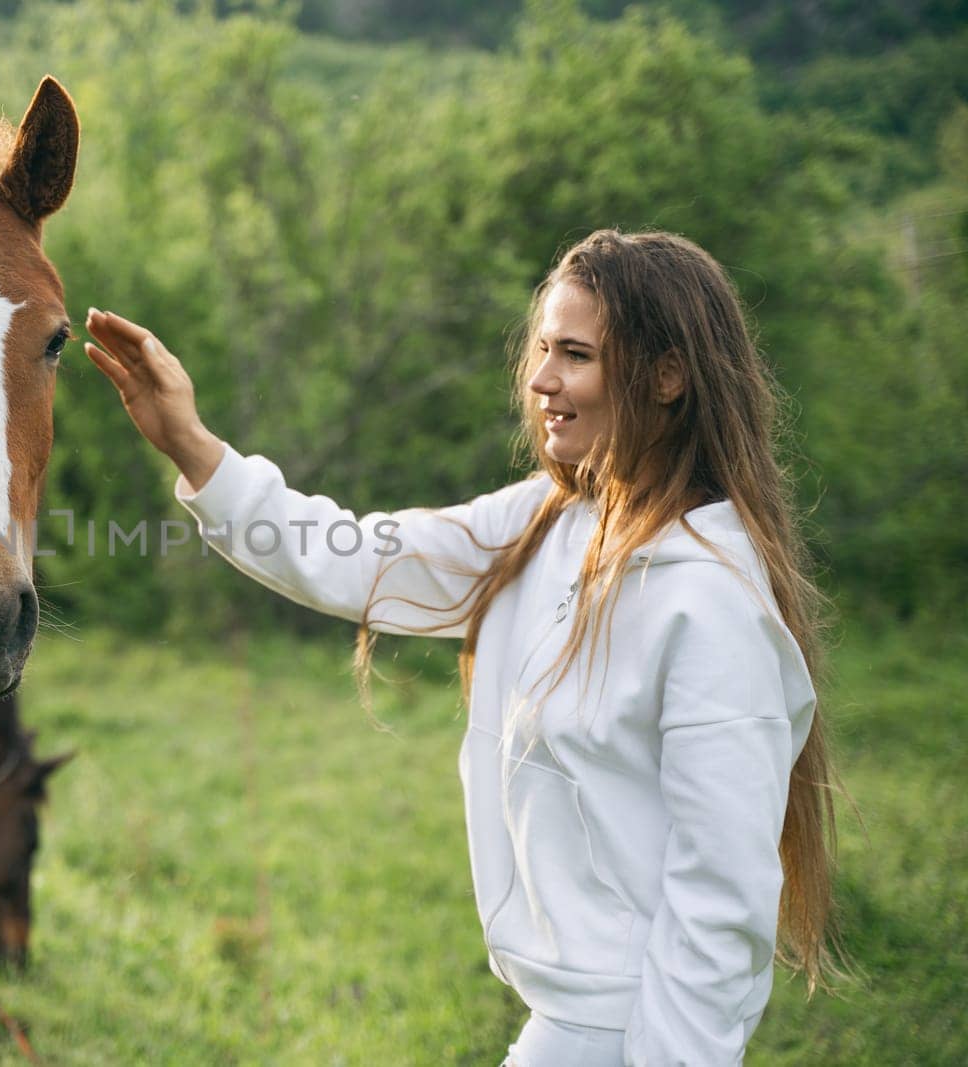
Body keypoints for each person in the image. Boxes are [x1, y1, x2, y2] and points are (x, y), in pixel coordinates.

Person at [83, 229, 838, 1065]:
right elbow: (359, 555)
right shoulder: (544, 523)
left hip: (634, 1037)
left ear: (666, 377)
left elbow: (721, 905)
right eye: (544, 348)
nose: (543, 378)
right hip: (560, 1027)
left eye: (577, 355)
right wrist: (193, 444)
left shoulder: (710, 602)